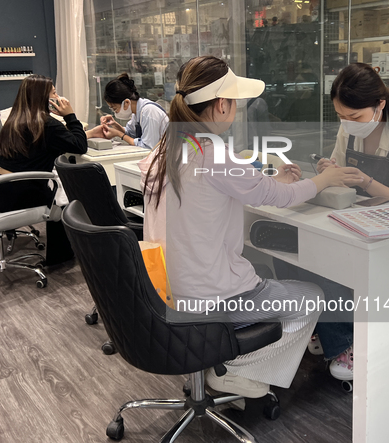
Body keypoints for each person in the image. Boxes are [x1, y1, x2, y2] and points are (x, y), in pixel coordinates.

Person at [138, 56, 365, 398]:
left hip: (166, 289)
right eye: (235, 104)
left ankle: (224, 359)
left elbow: (222, 187)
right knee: (311, 297)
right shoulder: (214, 152)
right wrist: (324, 179)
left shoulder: (168, 147)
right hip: (210, 298)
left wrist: (271, 178)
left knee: (264, 271)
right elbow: (277, 197)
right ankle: (235, 372)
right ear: (221, 105)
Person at [275, 62, 389, 382]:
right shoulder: (351, 130)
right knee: (294, 250)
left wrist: (368, 182)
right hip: (361, 220)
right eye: (341, 116)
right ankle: (324, 327)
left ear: (380, 104)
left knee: (328, 261)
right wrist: (332, 172)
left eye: (354, 117)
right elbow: (345, 178)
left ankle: (346, 342)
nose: (347, 123)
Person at [0, 75, 89, 265]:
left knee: (59, 187)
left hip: (1, 190)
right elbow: (79, 146)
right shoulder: (47, 123)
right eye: (54, 93)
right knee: (67, 193)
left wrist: (88, 133)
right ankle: (61, 257)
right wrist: (70, 115)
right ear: (42, 97)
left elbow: (55, 142)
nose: (58, 96)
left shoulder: (15, 120)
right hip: (22, 193)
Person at [99, 73, 168, 150]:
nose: (115, 112)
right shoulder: (137, 112)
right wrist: (115, 125)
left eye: (115, 109)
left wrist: (118, 134)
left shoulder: (149, 112)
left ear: (126, 103)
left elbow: (148, 146)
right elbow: (130, 133)